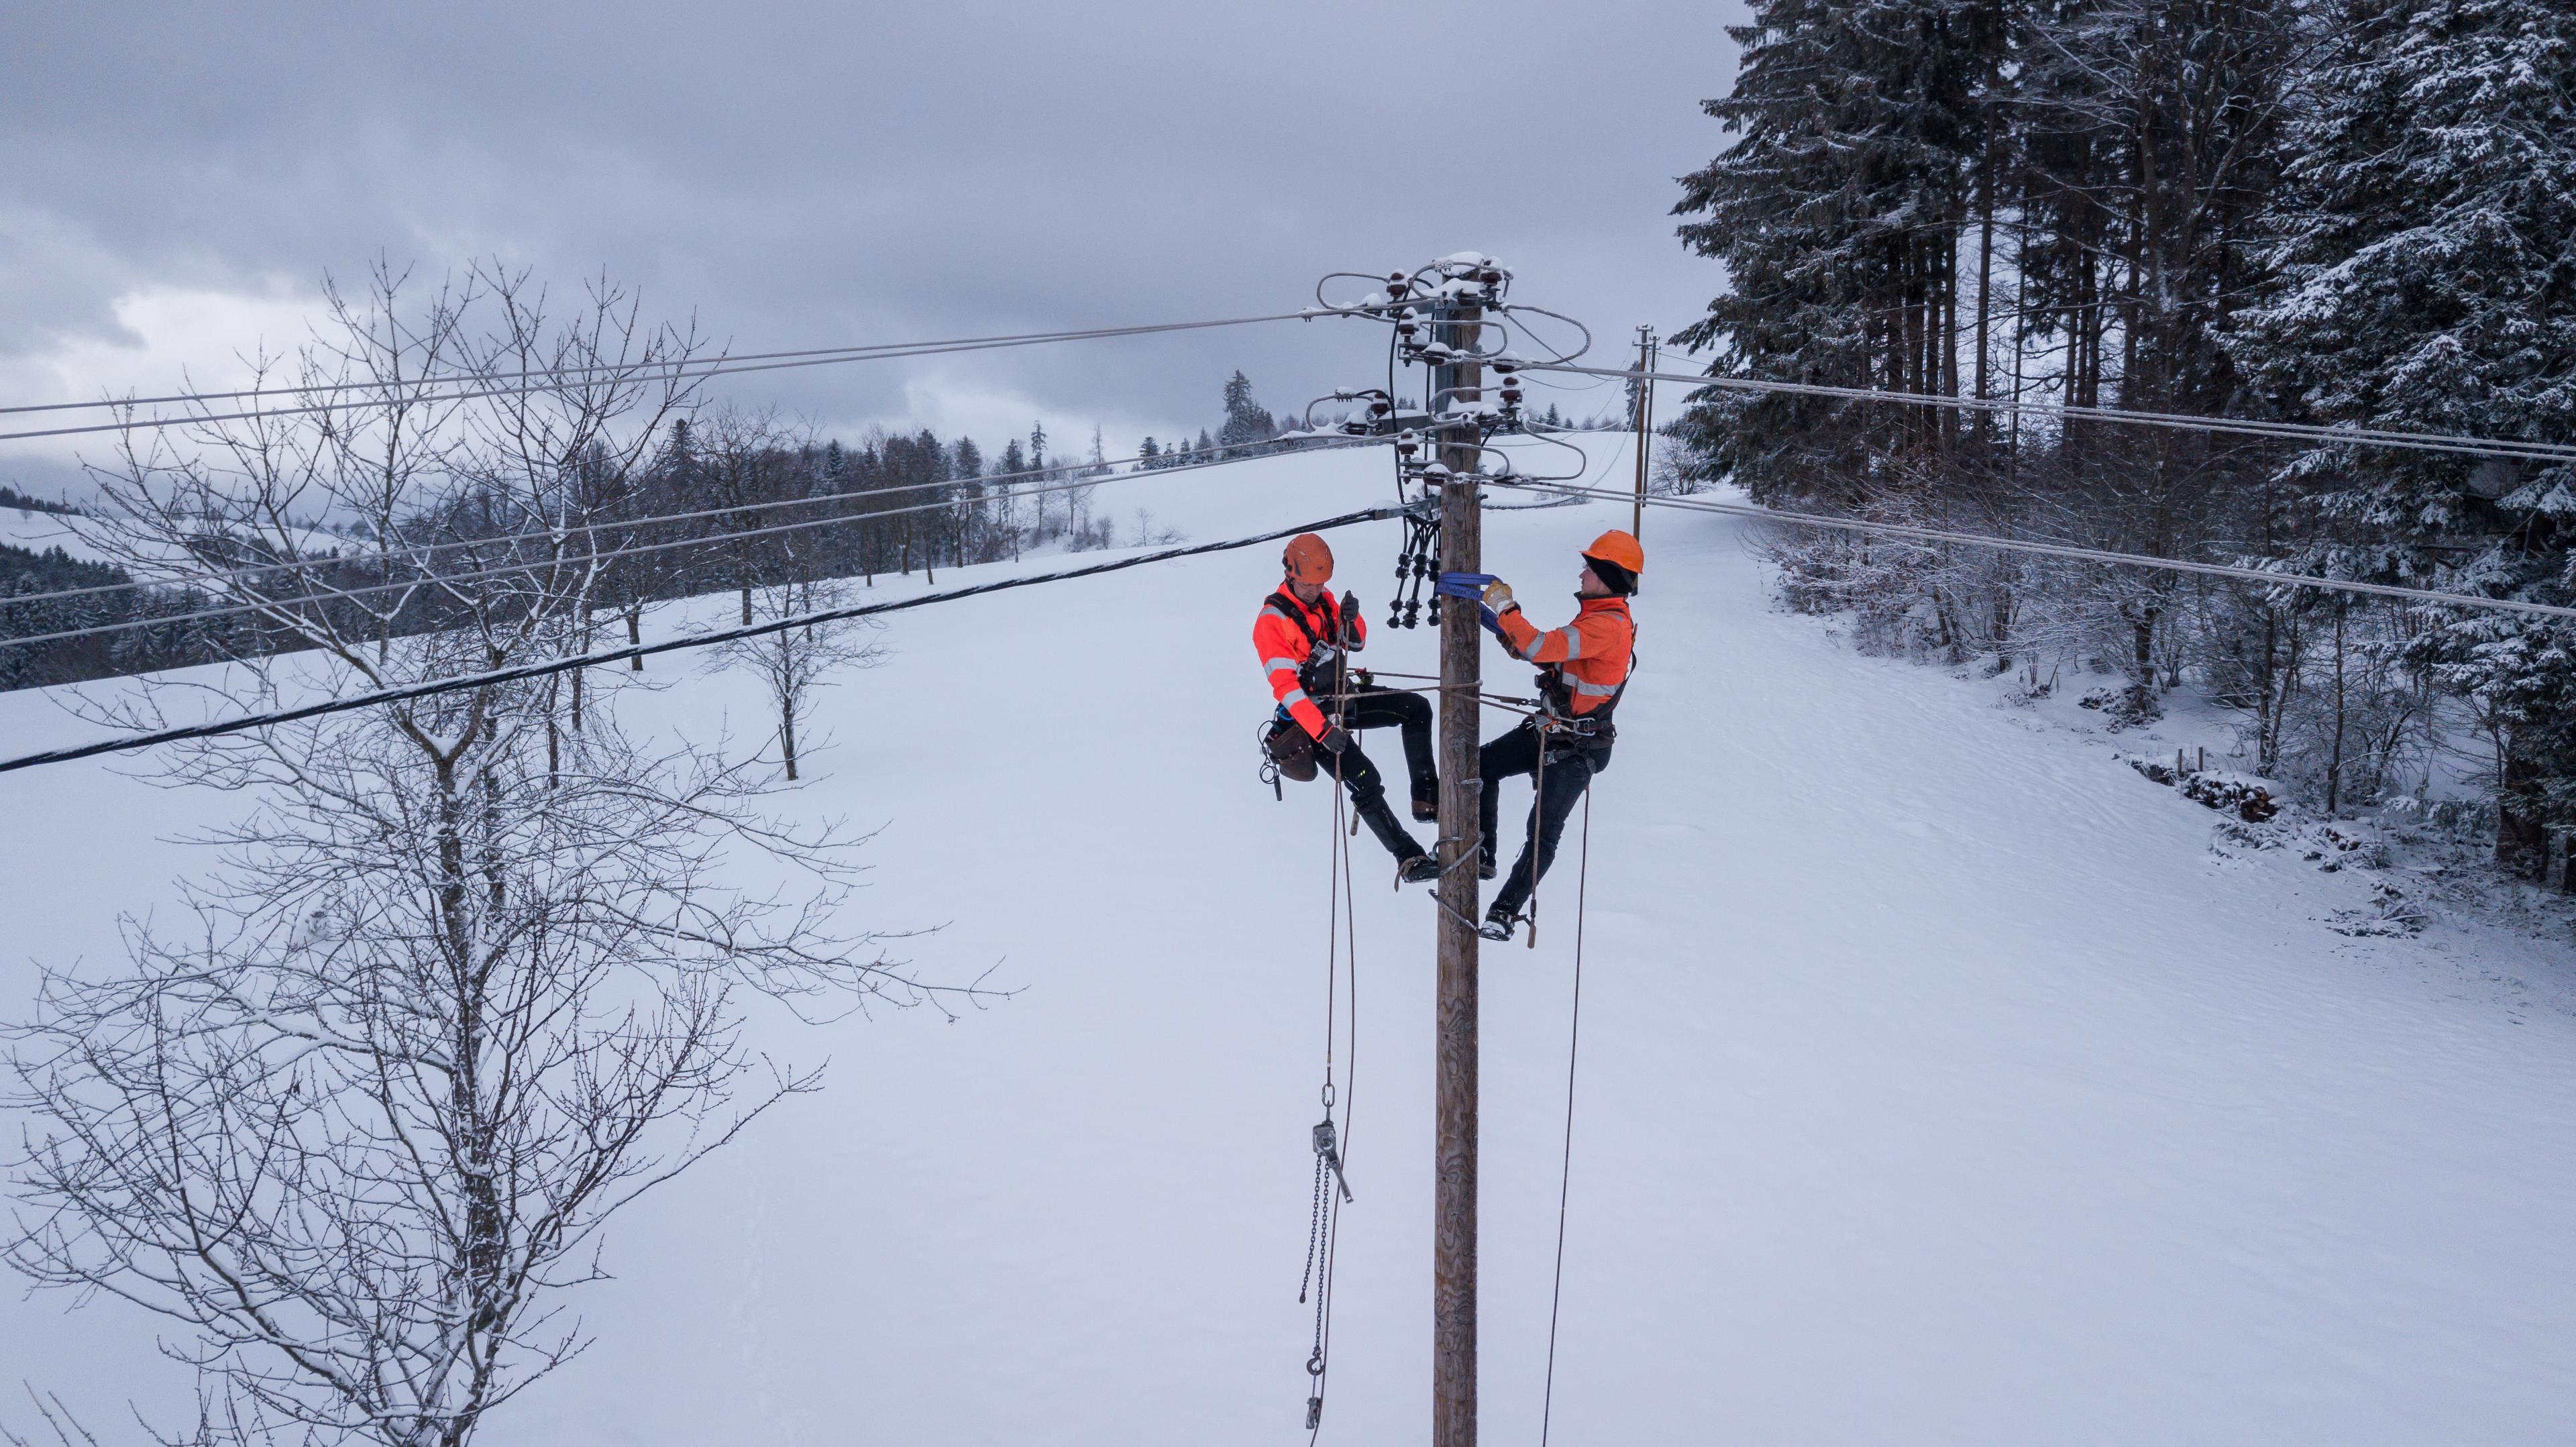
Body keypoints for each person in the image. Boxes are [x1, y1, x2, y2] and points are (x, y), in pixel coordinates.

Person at [1472, 530, 1642, 941]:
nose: (1583, 574)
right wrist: (1508, 635)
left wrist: (1505, 609)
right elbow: (1560, 665)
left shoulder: (1608, 625)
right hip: (1552, 731)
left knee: (1542, 834)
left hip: (1577, 748)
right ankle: (1482, 854)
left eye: (1590, 567)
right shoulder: (1596, 617)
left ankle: (1503, 912)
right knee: (1482, 764)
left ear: (1607, 576)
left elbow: (1541, 646)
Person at [1256, 532, 1442, 883]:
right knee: (1364, 779)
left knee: (1415, 708)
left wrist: (1351, 618)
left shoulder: (1325, 600)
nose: (1316, 590)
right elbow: (1286, 689)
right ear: (1290, 574)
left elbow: (1356, 643)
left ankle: (1426, 798)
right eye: (1309, 584)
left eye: (1321, 583)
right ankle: (1409, 858)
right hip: (1307, 720)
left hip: (1341, 698)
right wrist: (1324, 732)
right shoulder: (1272, 621)